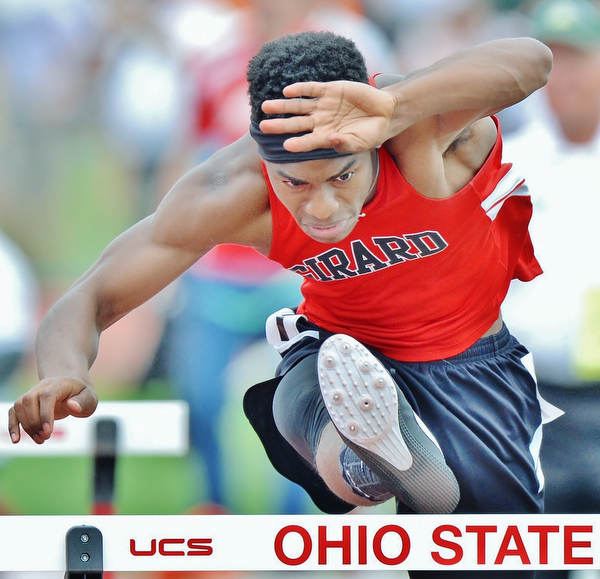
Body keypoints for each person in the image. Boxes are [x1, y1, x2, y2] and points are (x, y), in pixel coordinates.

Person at [8, 30, 555, 577]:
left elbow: (533, 60)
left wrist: (394, 107)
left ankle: (392, 458)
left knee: (493, 567)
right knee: (311, 389)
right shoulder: (230, 192)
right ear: (266, 165)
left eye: (342, 176)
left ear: (372, 144)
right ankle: (366, 463)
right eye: (294, 183)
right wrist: (62, 371)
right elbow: (92, 293)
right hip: (342, 353)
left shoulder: (422, 130)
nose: (320, 207)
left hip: (470, 366)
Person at [501, 1, 600, 577]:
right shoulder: (509, 163)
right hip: (535, 403)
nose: (564, 76)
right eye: (552, 61)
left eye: (578, 58)